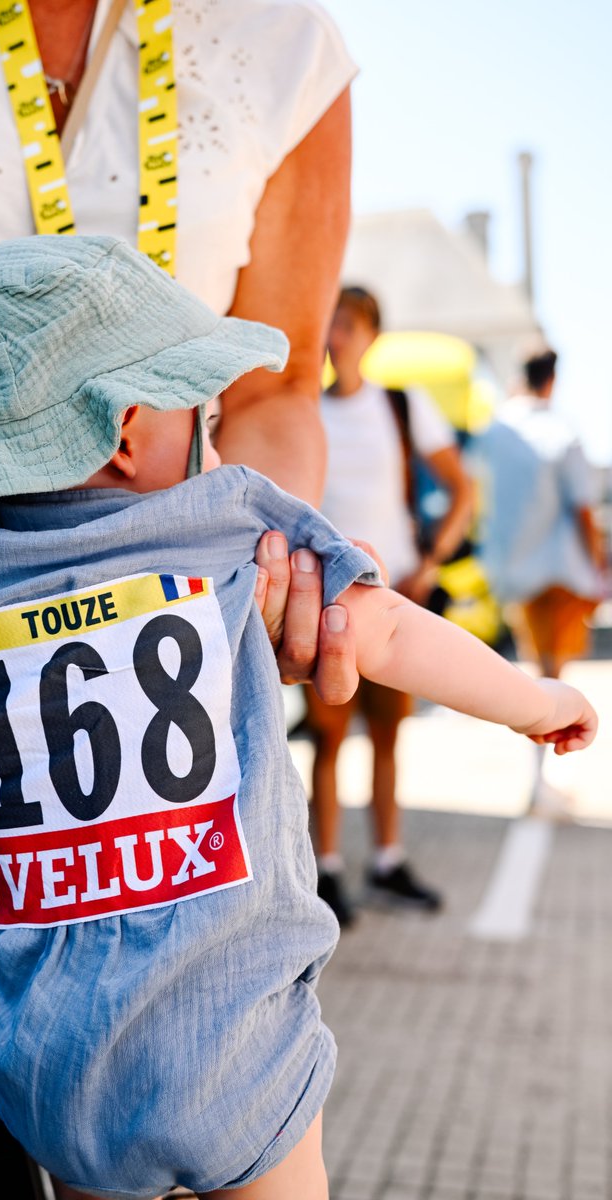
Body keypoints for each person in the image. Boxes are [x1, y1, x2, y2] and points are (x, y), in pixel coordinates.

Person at [0, 237, 598, 1200]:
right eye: (208, 418)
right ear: (126, 432)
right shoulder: (220, 518)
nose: (218, 447)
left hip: (48, 1069)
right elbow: (386, 628)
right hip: (238, 1050)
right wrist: (538, 701)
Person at [0, 1, 360, 1190]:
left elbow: (277, 385)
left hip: (166, 676)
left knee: (194, 1077)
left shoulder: (279, 38)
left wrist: (275, 554)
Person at [305, 285, 474, 925]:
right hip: (331, 601)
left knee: (386, 736)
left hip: (395, 595)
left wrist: (430, 564)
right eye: (331, 323)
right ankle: (326, 870)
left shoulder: (400, 405)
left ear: (371, 335)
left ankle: (386, 861)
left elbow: (462, 490)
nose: (336, 336)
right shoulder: (306, 410)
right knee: (327, 740)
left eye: (348, 325)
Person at [479, 345, 605, 810]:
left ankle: (540, 779)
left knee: (536, 672)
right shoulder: (560, 429)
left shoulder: (496, 429)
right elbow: (583, 507)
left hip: (514, 570)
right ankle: (543, 780)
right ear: (552, 379)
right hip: (560, 571)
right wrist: (597, 563)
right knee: (554, 678)